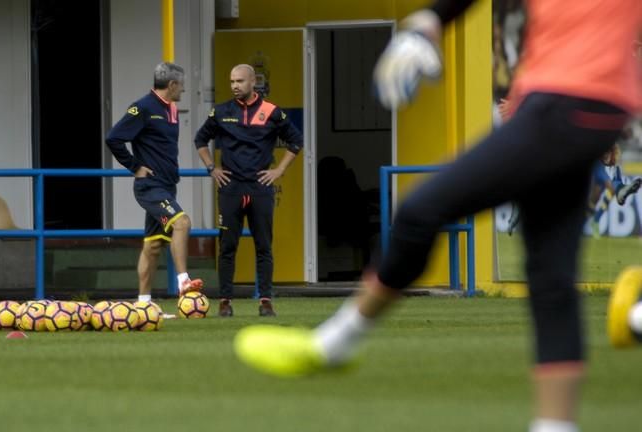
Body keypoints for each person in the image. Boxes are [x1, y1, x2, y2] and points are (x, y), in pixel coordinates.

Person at [233, 2, 642, 432]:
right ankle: (555, 425)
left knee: (419, 212)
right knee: (550, 273)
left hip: (565, 104)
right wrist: (428, 23)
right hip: (578, 106)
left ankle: (338, 341)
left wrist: (426, 24)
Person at [194, 64, 303, 317]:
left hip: (260, 188)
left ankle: (265, 300)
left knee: (263, 246)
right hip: (230, 188)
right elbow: (200, 140)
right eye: (232, 81)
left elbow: (296, 141)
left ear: (253, 82)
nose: (235, 86)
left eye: (240, 81)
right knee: (227, 247)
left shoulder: (272, 112)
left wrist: (279, 171)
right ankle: (224, 302)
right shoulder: (220, 111)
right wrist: (212, 168)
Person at [106, 62, 203, 302]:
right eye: (181, 86)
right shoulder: (143, 108)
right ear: (171, 85)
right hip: (150, 187)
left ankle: (143, 303)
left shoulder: (170, 109)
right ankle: (184, 282)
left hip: (167, 186)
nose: (183, 90)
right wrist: (134, 166)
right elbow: (113, 138)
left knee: (152, 245)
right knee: (182, 223)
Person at [587, 143, 642, 237]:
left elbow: (617, 175)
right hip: (596, 172)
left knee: (610, 189)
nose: (606, 155)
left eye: (608, 153)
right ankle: (593, 214)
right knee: (608, 185)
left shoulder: (615, 157)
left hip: (603, 181)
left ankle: (595, 218)